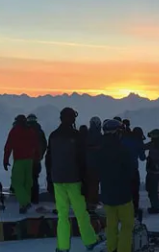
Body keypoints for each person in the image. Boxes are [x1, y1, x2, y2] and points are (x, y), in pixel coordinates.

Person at [46, 107, 100, 252]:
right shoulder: (77, 136)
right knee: (81, 213)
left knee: (62, 215)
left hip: (58, 180)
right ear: (72, 119)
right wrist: (85, 182)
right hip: (74, 180)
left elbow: (48, 159)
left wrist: (49, 180)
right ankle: (89, 240)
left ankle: (62, 246)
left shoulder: (53, 135)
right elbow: (82, 161)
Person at [96, 119, 135, 252]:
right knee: (127, 224)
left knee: (111, 224)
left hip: (107, 194)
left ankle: (111, 248)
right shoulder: (122, 149)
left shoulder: (99, 149)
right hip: (123, 194)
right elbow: (131, 171)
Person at [4, 115, 41, 213]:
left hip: (19, 160)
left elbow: (8, 146)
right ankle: (23, 206)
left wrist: (5, 160)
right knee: (27, 183)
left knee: (17, 182)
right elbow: (36, 145)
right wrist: (37, 158)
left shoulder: (15, 130)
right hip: (30, 160)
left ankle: (25, 202)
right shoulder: (31, 131)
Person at [142, 128, 159, 214]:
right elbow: (143, 147)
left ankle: (156, 207)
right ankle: (155, 206)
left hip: (155, 171)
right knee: (150, 189)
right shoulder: (154, 144)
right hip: (151, 169)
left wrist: (157, 165)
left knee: (152, 190)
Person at [27, 114, 48, 204]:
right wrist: (40, 155)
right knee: (35, 178)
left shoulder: (25, 130)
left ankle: (27, 198)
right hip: (36, 159)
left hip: (26, 159)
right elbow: (44, 144)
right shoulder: (40, 131)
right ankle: (35, 199)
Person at [84, 117, 104, 210]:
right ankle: (92, 201)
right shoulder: (99, 136)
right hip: (95, 163)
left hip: (88, 163)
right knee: (94, 183)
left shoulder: (87, 135)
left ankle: (90, 200)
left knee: (90, 183)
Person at [124, 126, 145, 212]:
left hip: (123, 169)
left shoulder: (124, 139)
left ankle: (124, 208)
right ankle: (135, 208)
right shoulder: (138, 142)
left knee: (125, 190)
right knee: (135, 191)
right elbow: (142, 157)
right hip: (133, 169)